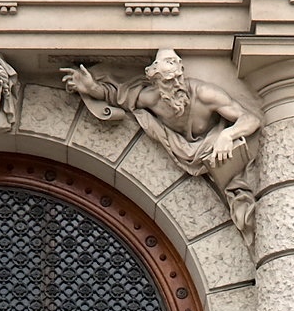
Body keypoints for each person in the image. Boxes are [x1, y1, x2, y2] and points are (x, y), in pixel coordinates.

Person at [62, 49, 262, 241]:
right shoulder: (152, 99)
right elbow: (119, 97)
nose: (175, 84)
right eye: (168, 81)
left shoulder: (205, 94)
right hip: (179, 146)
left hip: (214, 149)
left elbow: (250, 119)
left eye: (177, 78)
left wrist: (228, 134)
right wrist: (92, 89)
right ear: (156, 82)